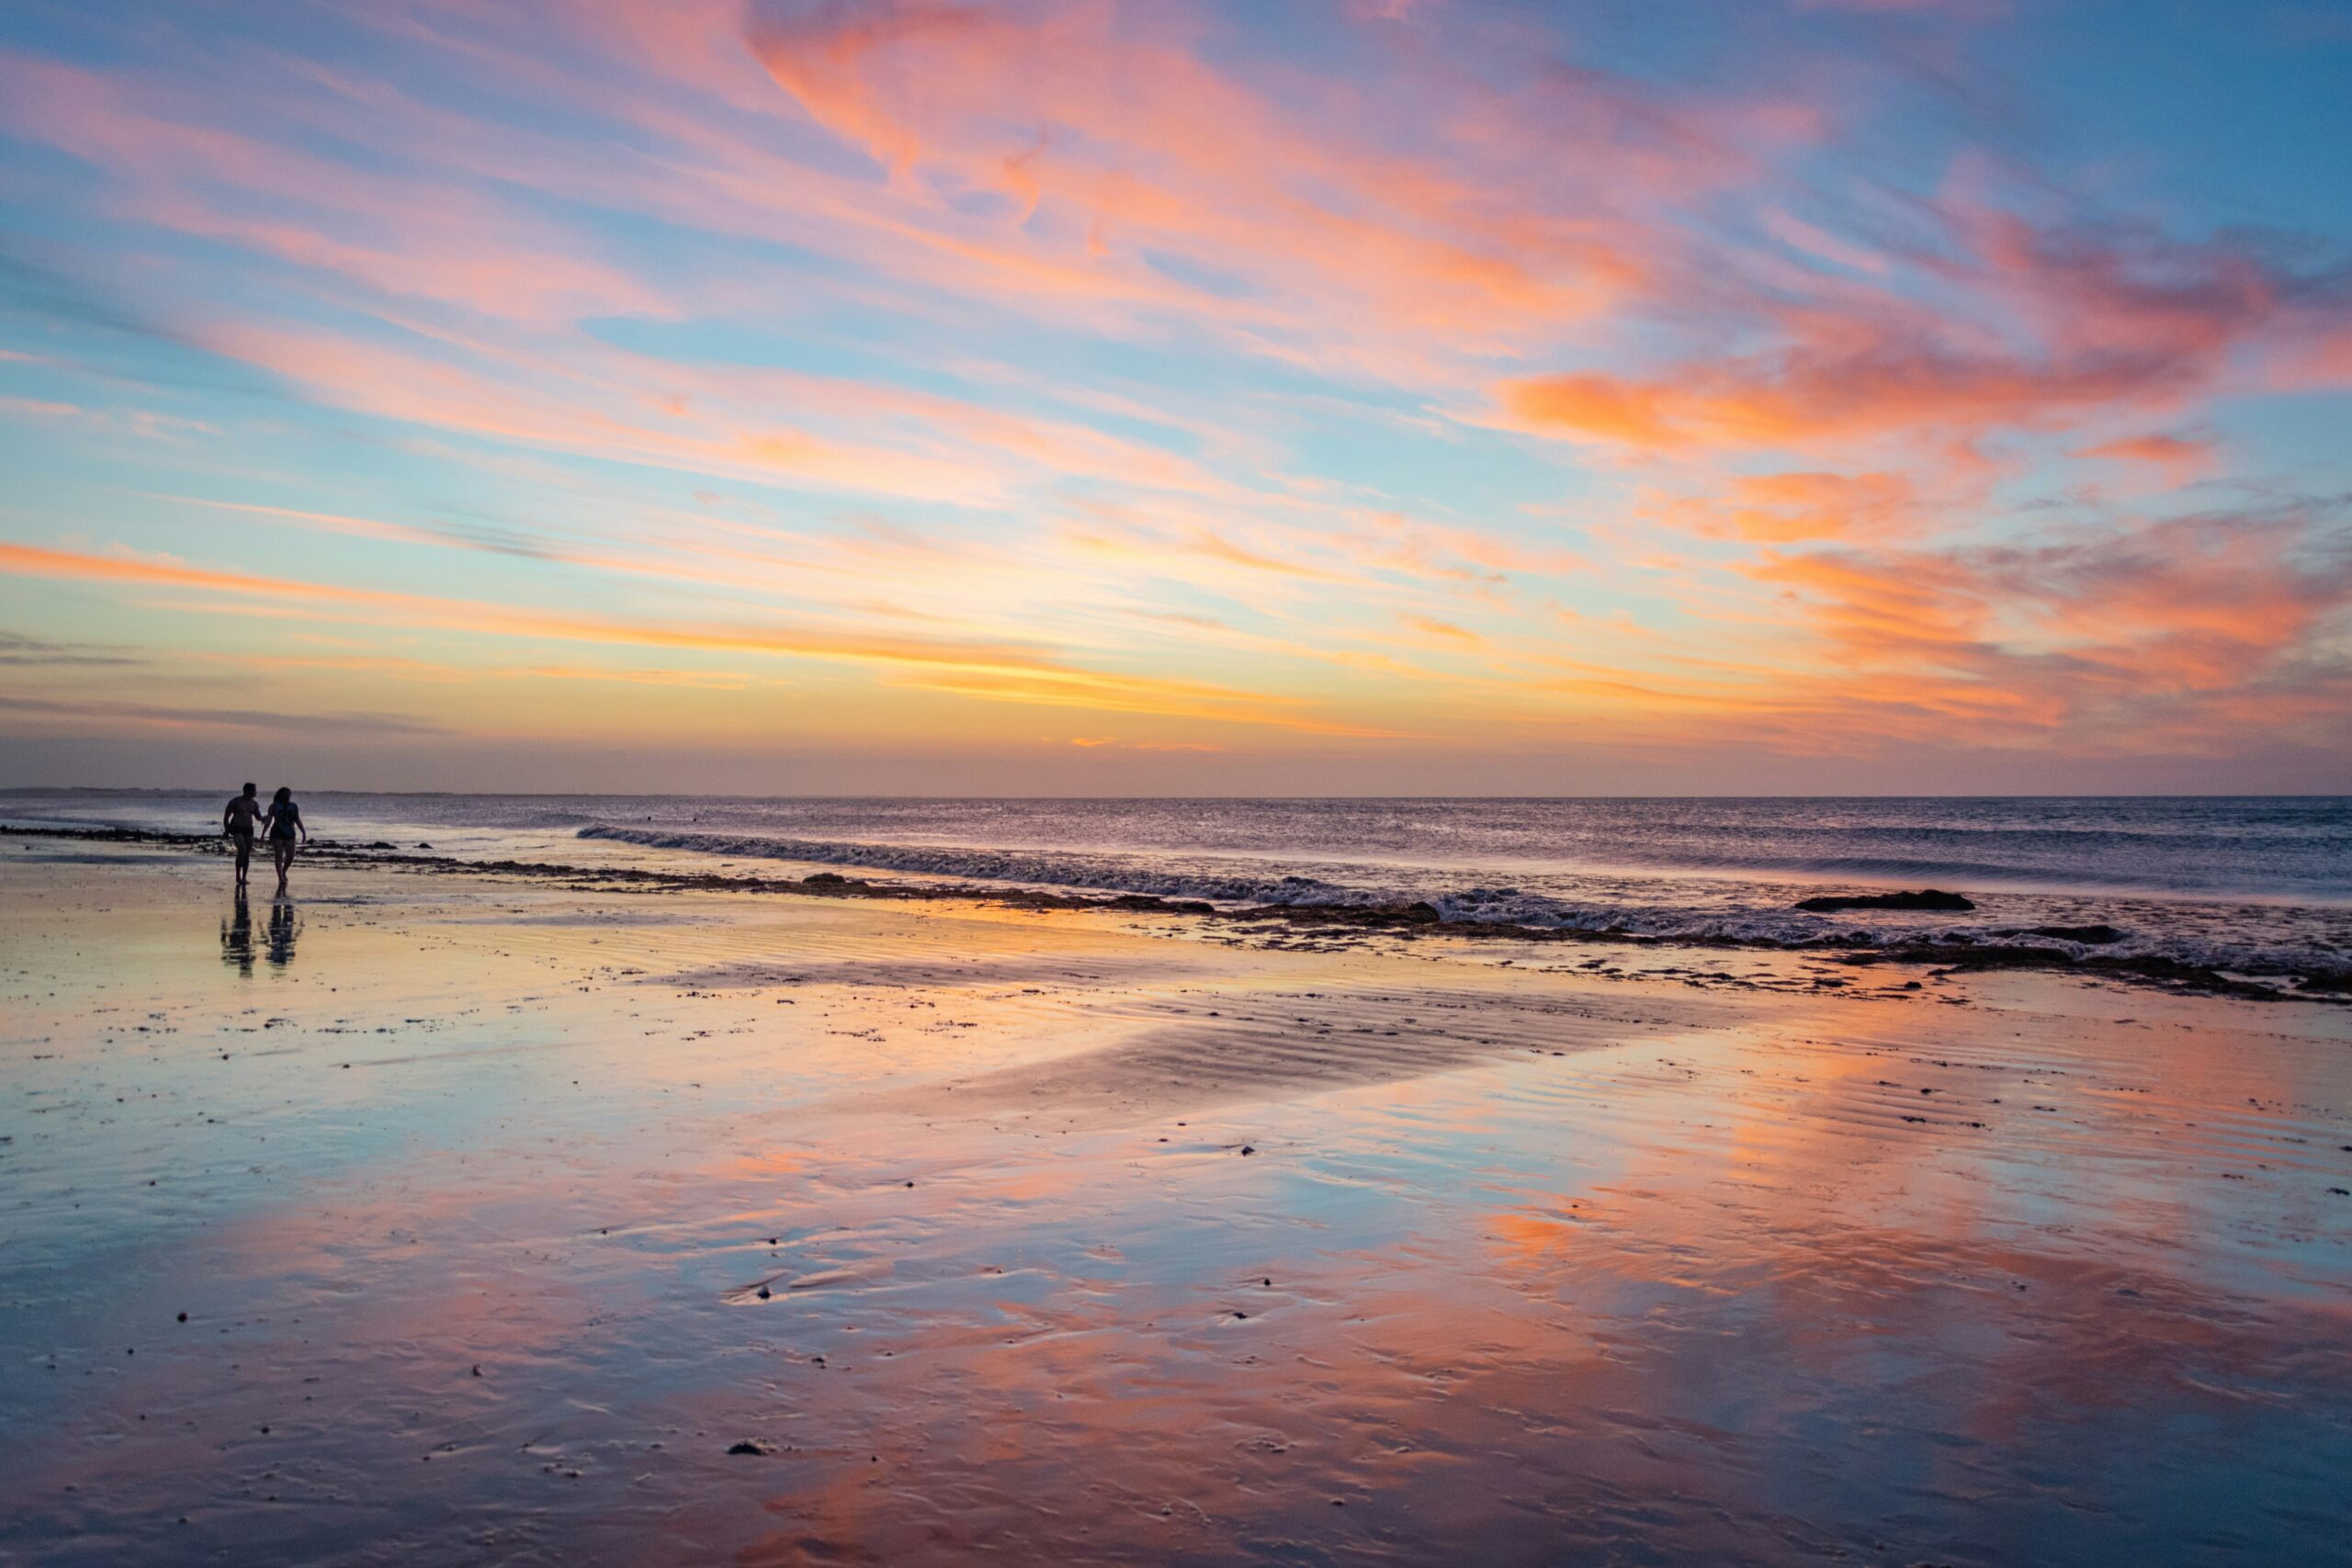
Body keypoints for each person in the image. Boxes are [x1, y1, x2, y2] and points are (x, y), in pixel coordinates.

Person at [261, 786, 308, 897]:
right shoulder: (274, 806)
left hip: (290, 833)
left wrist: (304, 832)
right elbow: (269, 820)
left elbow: (297, 820)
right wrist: (263, 833)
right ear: (280, 795)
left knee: (291, 856)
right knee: (278, 855)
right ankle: (280, 877)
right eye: (286, 794)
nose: (288, 796)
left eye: (289, 794)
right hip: (277, 832)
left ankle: (284, 871)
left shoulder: (294, 806)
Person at [222, 783, 264, 891]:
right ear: (248, 791)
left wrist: (265, 818)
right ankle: (238, 876)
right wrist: (226, 831)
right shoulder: (235, 802)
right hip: (237, 829)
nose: (256, 792)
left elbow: (258, 817)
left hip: (249, 830)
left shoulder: (254, 804)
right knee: (242, 850)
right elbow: (226, 816)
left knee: (247, 854)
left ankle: (244, 877)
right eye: (254, 790)